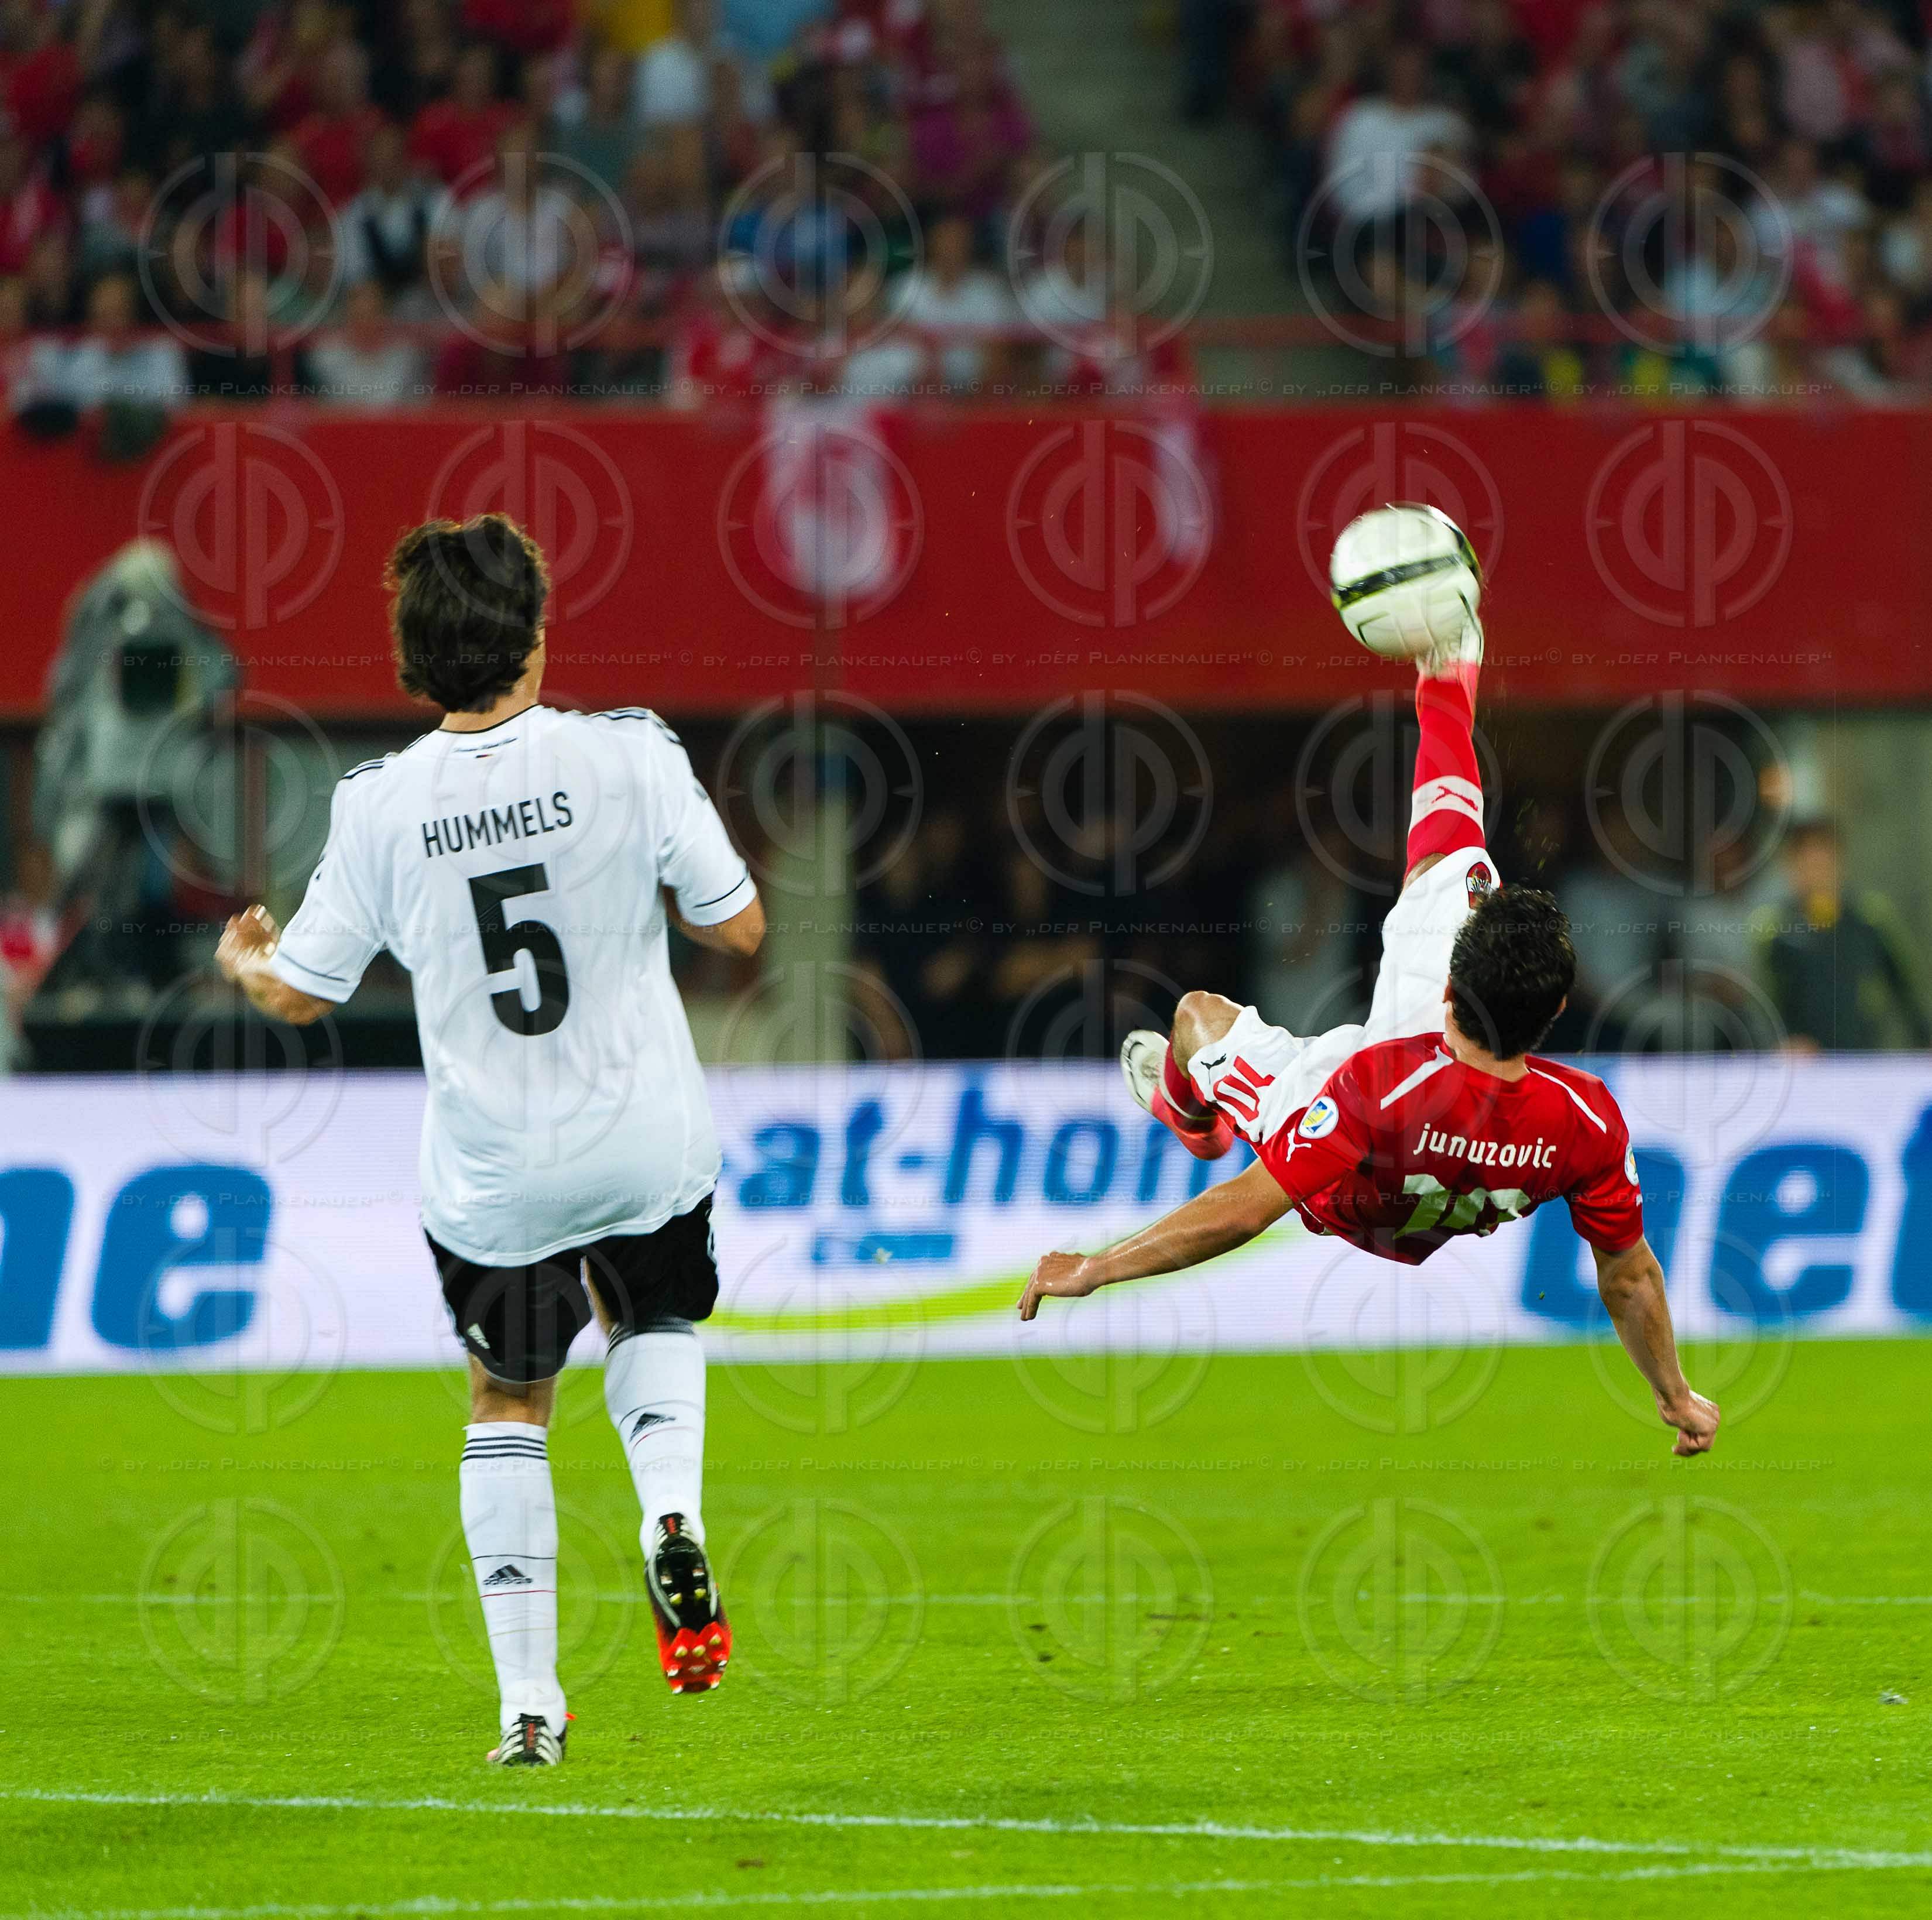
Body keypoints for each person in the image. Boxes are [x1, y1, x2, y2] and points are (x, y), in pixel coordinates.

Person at [215, 514, 766, 1766]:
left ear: (412, 659)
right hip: (641, 1135)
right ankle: (669, 1512)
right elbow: (738, 932)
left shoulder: (379, 804)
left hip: (495, 1174)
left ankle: (530, 1708)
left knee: (507, 1396)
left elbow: (303, 991)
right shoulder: (629, 755)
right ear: (537, 631)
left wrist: (246, 961)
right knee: (655, 1322)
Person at [1018, 605, 1721, 1463]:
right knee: (1456, 865)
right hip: (1442, 1172)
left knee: (1200, 1015)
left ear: (1455, 988)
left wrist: (1096, 1266)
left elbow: (1241, 1211)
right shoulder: (1588, 1118)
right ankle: (1447, 671)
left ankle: (1192, 1116)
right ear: (1558, 1014)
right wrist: (1675, 1394)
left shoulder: (1372, 1087)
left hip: (1343, 1183)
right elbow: (1628, 1274)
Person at [1753, 815, 1932, 1051]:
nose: (1816, 873)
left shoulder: (1871, 918)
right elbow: (1759, 999)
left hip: (1862, 1058)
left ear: (1839, 862)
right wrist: (1780, 1042)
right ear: (1791, 868)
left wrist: (1925, 1036)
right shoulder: (1773, 927)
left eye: (1823, 862)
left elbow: (1907, 988)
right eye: (1806, 863)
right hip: (1803, 1065)